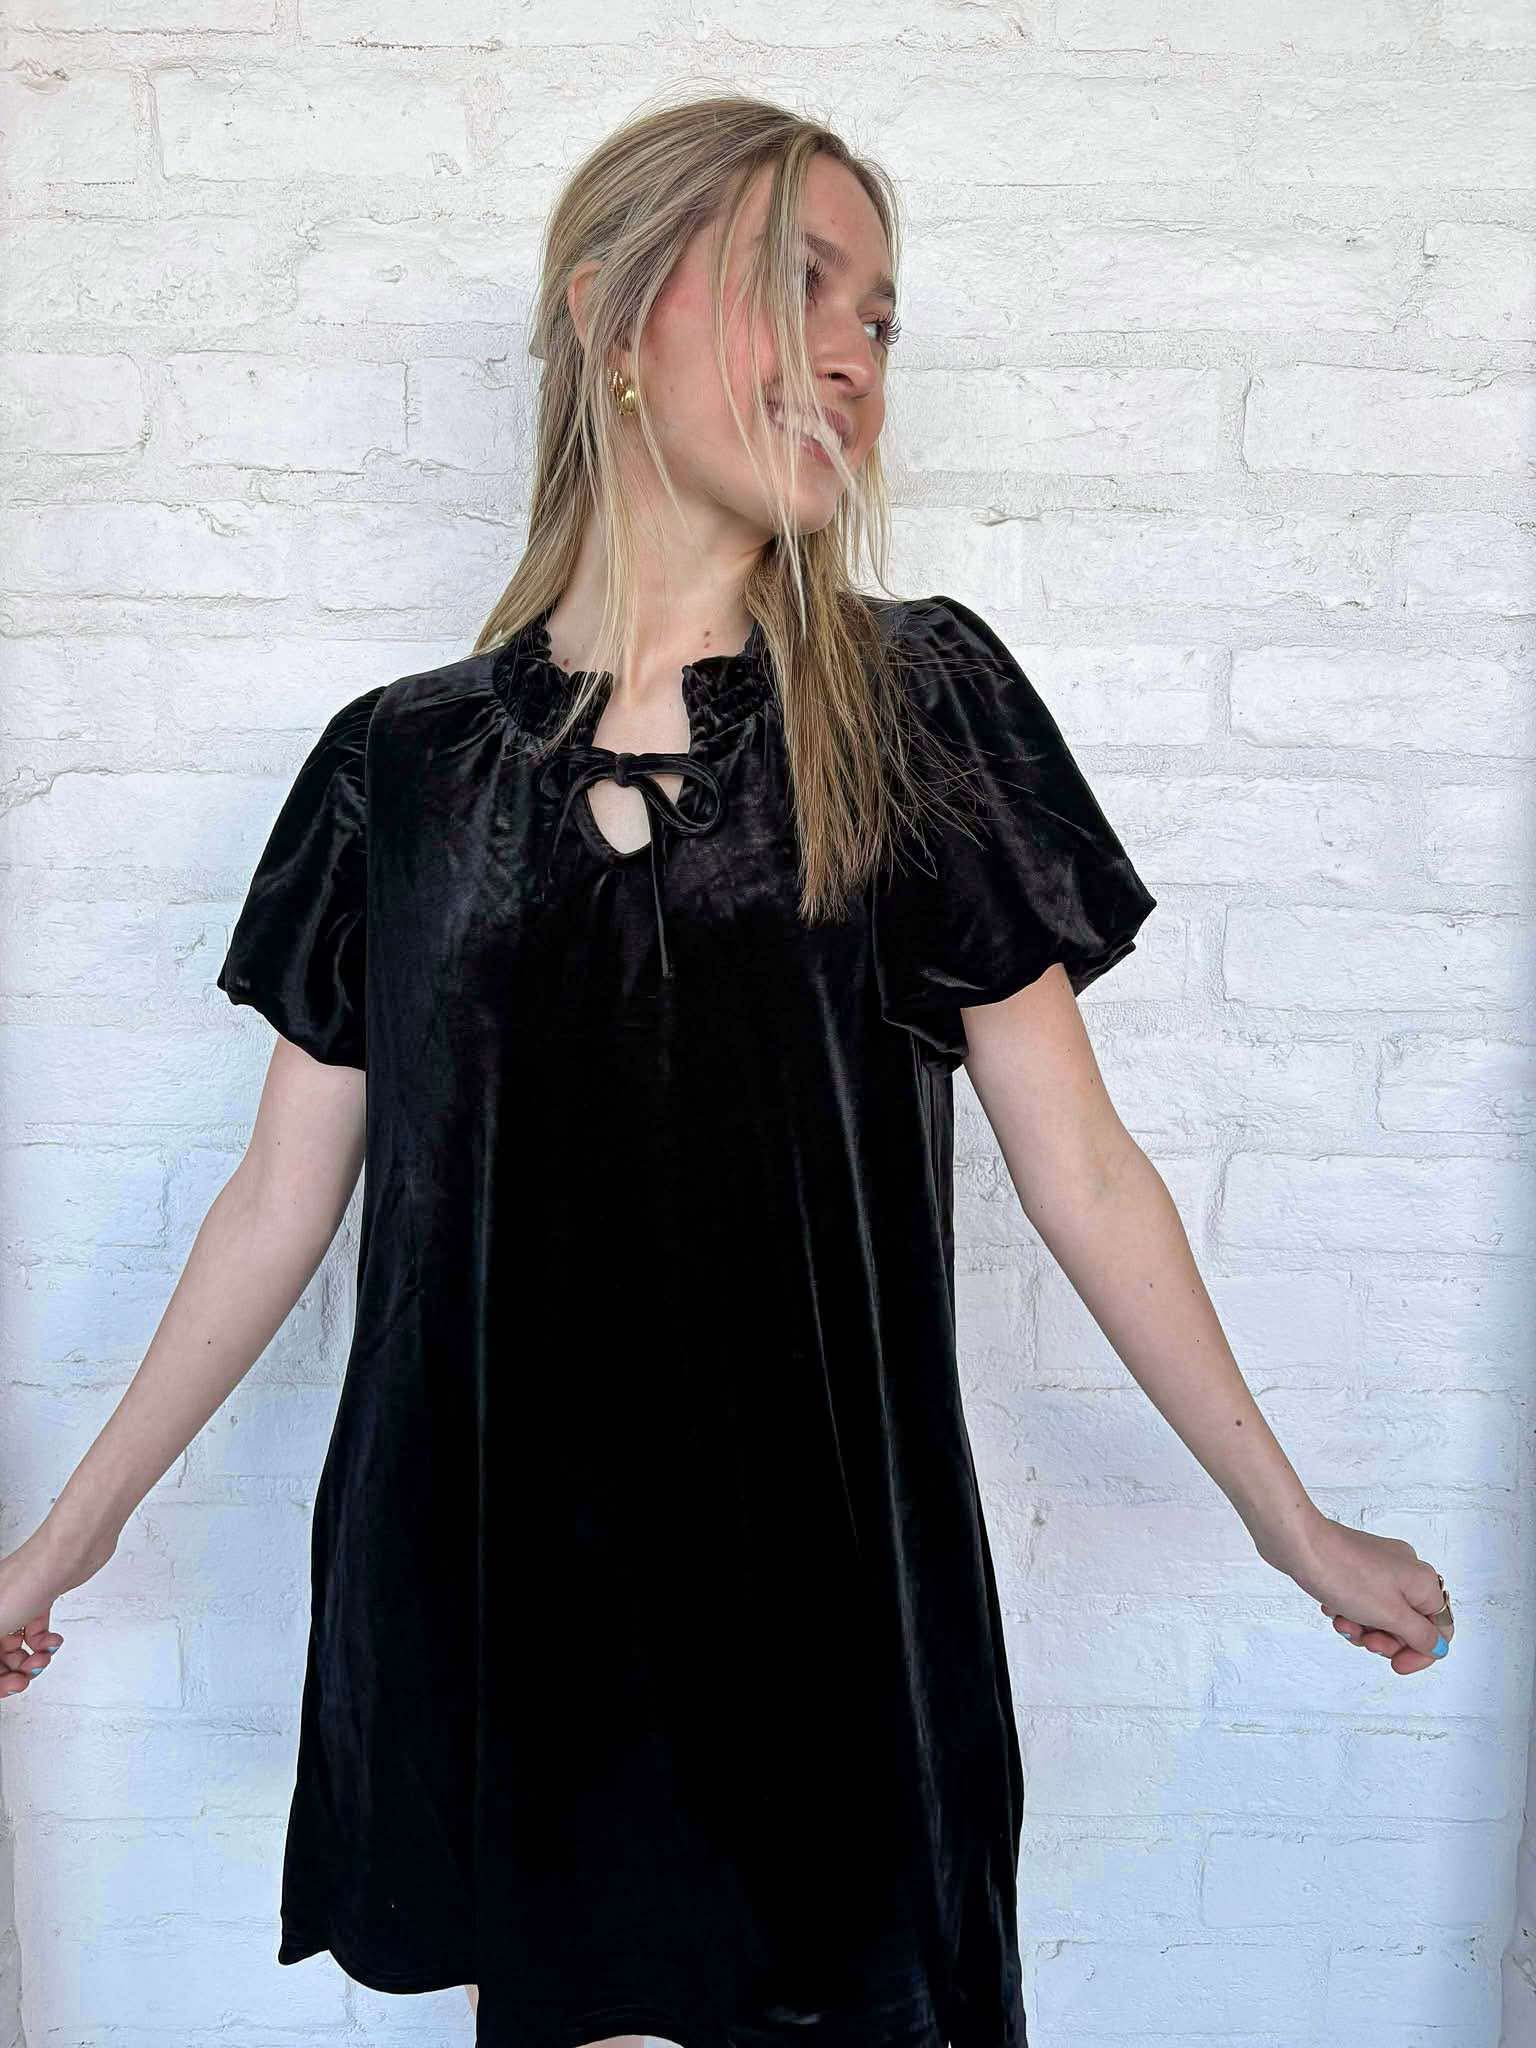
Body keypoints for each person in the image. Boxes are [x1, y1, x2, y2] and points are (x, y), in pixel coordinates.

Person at [1, 90, 1454, 2048]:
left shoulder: (918, 706)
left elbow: (1084, 1169)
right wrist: (61, 1545)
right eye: (798, 282)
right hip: (512, 1600)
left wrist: (1288, 1519)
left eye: (880, 314)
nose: (851, 350)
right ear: (612, 318)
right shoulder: (399, 771)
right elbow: (279, 1203)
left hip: (823, 1596)